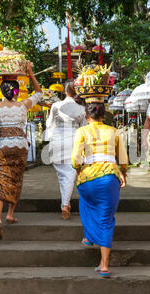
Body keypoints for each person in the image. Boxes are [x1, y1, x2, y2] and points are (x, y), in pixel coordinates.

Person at [0, 62, 42, 240]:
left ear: (1, 91)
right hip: (20, 147)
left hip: (1, 147)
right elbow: (39, 93)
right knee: (16, 180)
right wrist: (30, 73)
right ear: (16, 91)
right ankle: (10, 214)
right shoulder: (23, 105)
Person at [72, 102, 128, 278]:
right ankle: (104, 265)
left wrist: (80, 169)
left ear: (87, 117)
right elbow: (124, 159)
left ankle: (88, 236)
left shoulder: (82, 131)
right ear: (104, 116)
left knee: (86, 203)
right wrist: (123, 173)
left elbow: (75, 159)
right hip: (109, 178)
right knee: (106, 219)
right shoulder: (114, 131)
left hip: (87, 179)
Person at [46, 79, 86, 219]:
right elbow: (83, 129)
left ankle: (66, 203)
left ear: (65, 91)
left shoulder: (56, 106)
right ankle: (65, 204)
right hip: (73, 141)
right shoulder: (81, 109)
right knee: (69, 175)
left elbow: (49, 124)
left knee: (63, 176)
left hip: (57, 141)